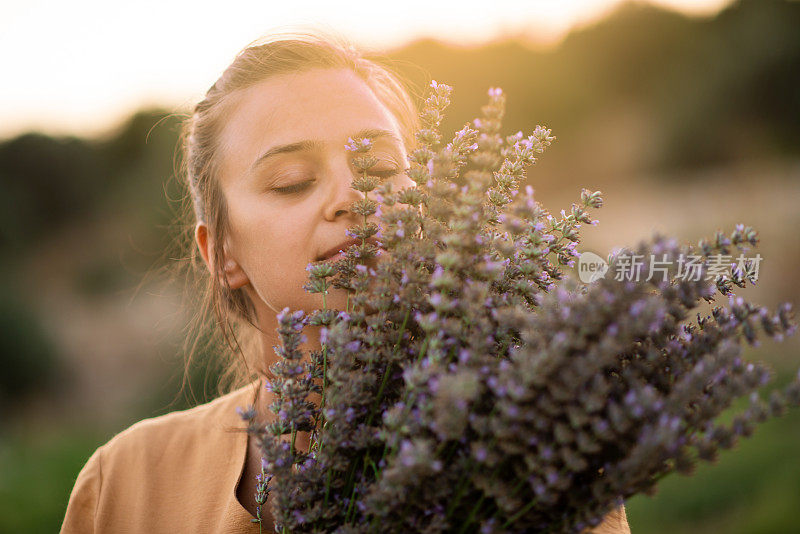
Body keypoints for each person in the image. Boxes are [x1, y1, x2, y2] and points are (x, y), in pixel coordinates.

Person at [60, 28, 631, 533]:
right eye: (291, 181)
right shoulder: (125, 487)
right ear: (221, 254)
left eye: (381, 169)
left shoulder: (536, 451)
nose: (353, 197)